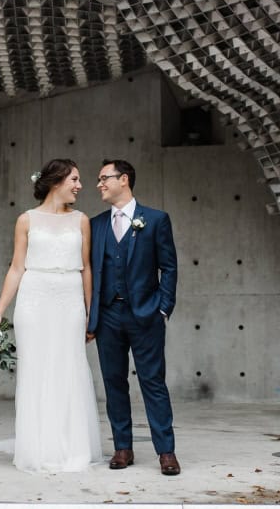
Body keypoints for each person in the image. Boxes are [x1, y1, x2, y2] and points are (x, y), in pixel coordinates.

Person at [0, 158, 103, 473]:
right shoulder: (26, 220)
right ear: (57, 181)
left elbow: (87, 267)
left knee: (69, 369)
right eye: (75, 180)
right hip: (34, 298)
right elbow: (16, 267)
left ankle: (71, 448)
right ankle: (36, 448)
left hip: (69, 298)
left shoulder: (82, 220)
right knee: (36, 372)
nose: (80, 186)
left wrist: (92, 312)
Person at [86, 159, 180, 475]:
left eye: (104, 178)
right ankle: (122, 448)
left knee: (153, 382)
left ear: (123, 179)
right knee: (114, 383)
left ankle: (166, 451)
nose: (98, 184)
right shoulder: (96, 224)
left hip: (145, 315)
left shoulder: (155, 220)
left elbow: (168, 266)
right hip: (108, 316)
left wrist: (163, 307)